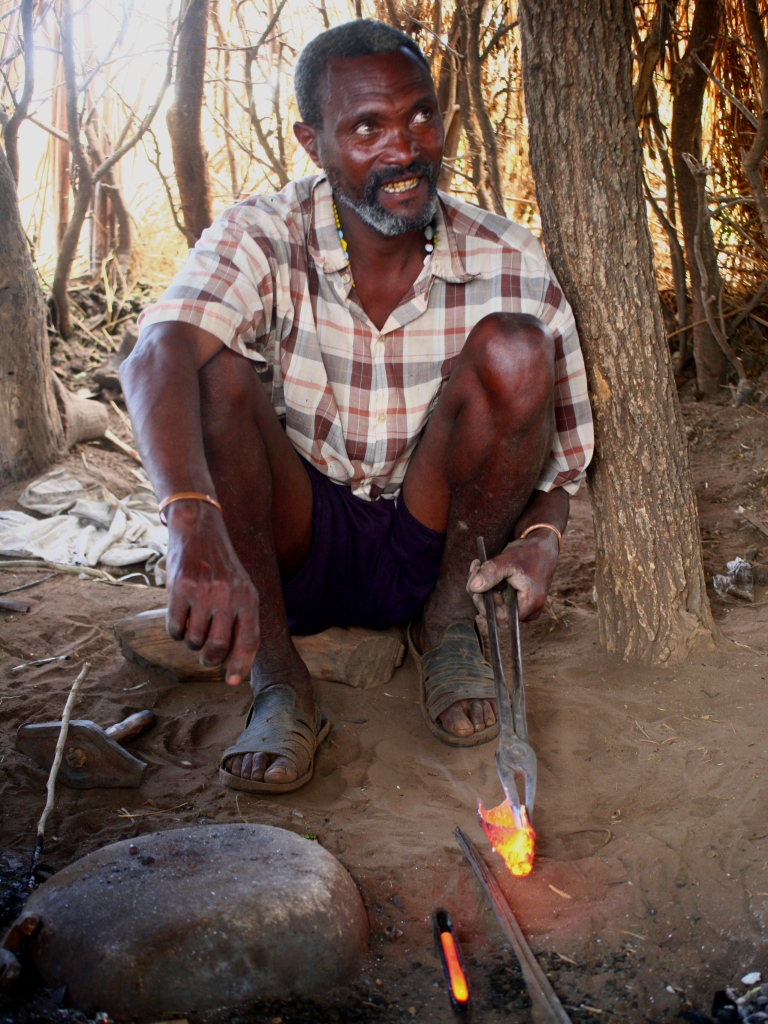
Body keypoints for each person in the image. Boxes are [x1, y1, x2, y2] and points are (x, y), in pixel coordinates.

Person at [120, 19, 594, 794]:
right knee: (213, 372)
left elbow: (564, 466)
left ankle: (447, 630)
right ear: (313, 144)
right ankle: (279, 678)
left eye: (420, 115)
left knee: (516, 348)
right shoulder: (265, 233)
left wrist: (542, 537)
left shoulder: (507, 257)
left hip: (434, 541)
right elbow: (156, 352)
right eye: (367, 127)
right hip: (293, 539)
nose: (404, 149)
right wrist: (189, 519)